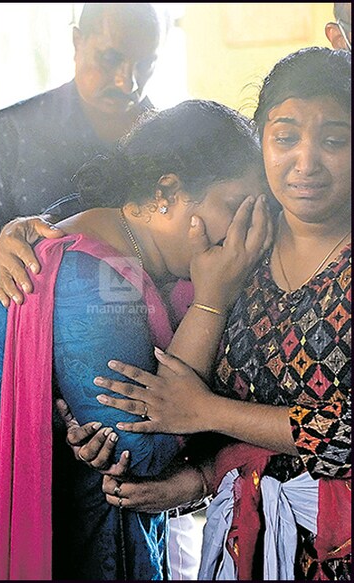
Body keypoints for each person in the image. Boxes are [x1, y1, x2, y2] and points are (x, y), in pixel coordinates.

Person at [0, 99, 272, 579]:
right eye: (232, 208)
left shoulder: (164, 257)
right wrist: (212, 304)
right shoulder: (90, 278)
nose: (249, 231)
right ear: (168, 193)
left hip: (68, 506)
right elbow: (135, 450)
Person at [95, 46, 351, 581]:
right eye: (284, 138)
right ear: (259, 142)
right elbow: (126, 221)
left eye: (334, 140)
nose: (305, 162)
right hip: (250, 545)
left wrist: (206, 411)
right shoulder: (242, 245)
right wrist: (196, 481)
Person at [0, 3, 161, 269]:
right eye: (111, 58)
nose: (128, 83)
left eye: (145, 65)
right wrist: (3, 247)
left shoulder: (174, 145)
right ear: (77, 41)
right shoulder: (6, 135)